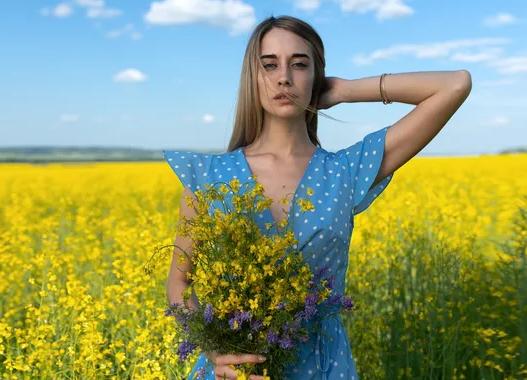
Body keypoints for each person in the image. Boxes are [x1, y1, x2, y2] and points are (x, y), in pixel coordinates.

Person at [163, 15, 472, 380]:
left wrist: (345, 91)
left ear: (316, 76)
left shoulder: (346, 170)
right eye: (269, 64)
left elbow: (455, 84)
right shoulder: (209, 177)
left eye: (299, 64)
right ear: (253, 77)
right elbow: (179, 283)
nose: (284, 77)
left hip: (324, 367)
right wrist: (218, 354)